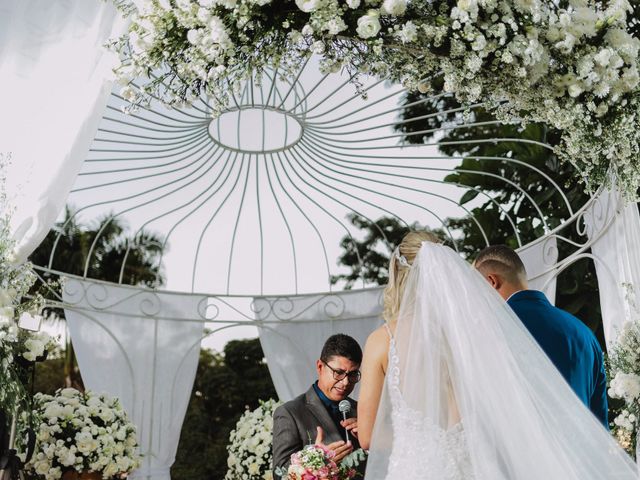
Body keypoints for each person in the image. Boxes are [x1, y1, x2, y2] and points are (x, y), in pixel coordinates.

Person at [358, 232, 637, 480]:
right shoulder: (475, 333)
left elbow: (369, 437)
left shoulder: (382, 341)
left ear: (397, 277)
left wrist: (413, 433)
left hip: (416, 467)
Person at [473, 244, 608, 426]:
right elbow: (601, 426)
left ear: (492, 281)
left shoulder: (494, 329)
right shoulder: (584, 333)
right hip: (583, 453)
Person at [272, 334, 363, 478]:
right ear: (320, 367)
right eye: (338, 373)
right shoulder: (289, 413)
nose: (345, 382)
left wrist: (370, 438)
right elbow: (279, 474)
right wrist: (317, 461)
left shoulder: (362, 411)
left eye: (352, 374)